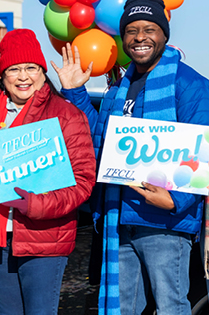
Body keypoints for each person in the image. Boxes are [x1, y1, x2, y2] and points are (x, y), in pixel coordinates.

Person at [52, 0, 209, 313]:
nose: (140, 37)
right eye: (131, 31)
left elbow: (202, 148)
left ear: (164, 35)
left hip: (165, 223)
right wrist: (75, 93)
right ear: (122, 39)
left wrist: (178, 200)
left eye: (149, 30)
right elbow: (98, 136)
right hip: (119, 219)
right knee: (123, 309)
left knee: (170, 308)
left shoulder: (191, 85)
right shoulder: (120, 88)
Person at [0, 28, 96, 315]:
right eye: (14, 69)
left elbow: (82, 182)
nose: (23, 76)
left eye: (31, 68)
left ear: (43, 71)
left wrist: (35, 204)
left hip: (43, 237)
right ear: (3, 75)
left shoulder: (65, 114)